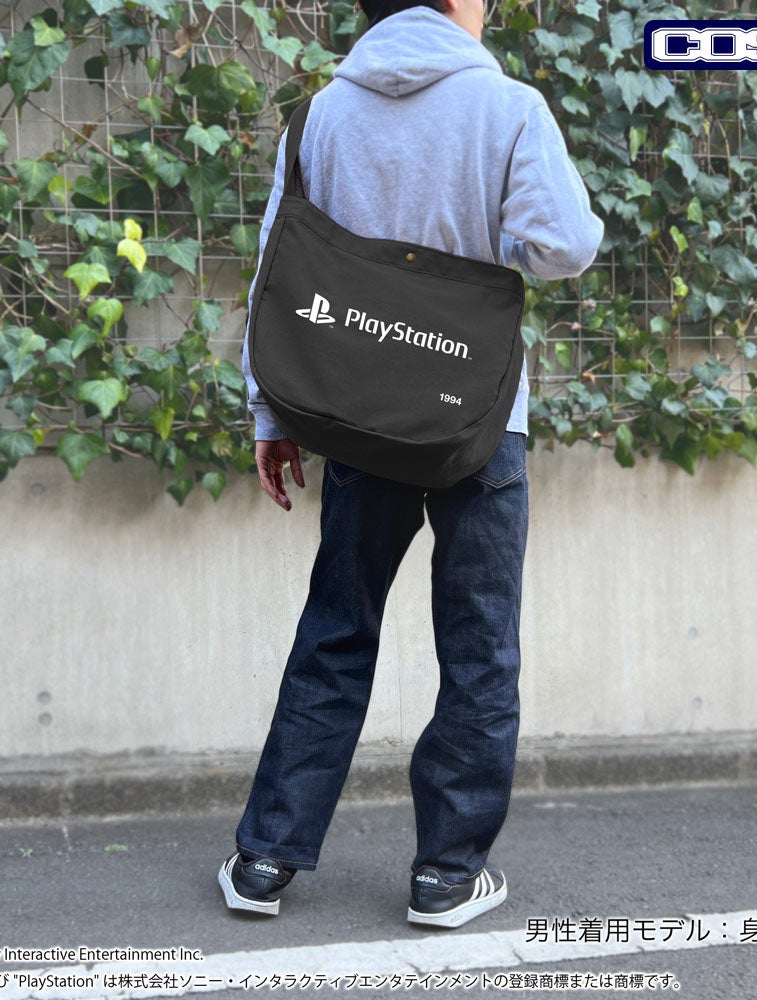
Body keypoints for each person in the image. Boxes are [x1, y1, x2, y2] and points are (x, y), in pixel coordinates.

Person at [219, 0, 603, 928]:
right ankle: (447, 875)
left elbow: (279, 270)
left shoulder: (320, 116)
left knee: (337, 630)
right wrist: (486, 240)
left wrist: (271, 411)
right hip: (478, 419)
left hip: (361, 420)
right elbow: (565, 245)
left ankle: (265, 860)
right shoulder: (509, 108)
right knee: (479, 647)